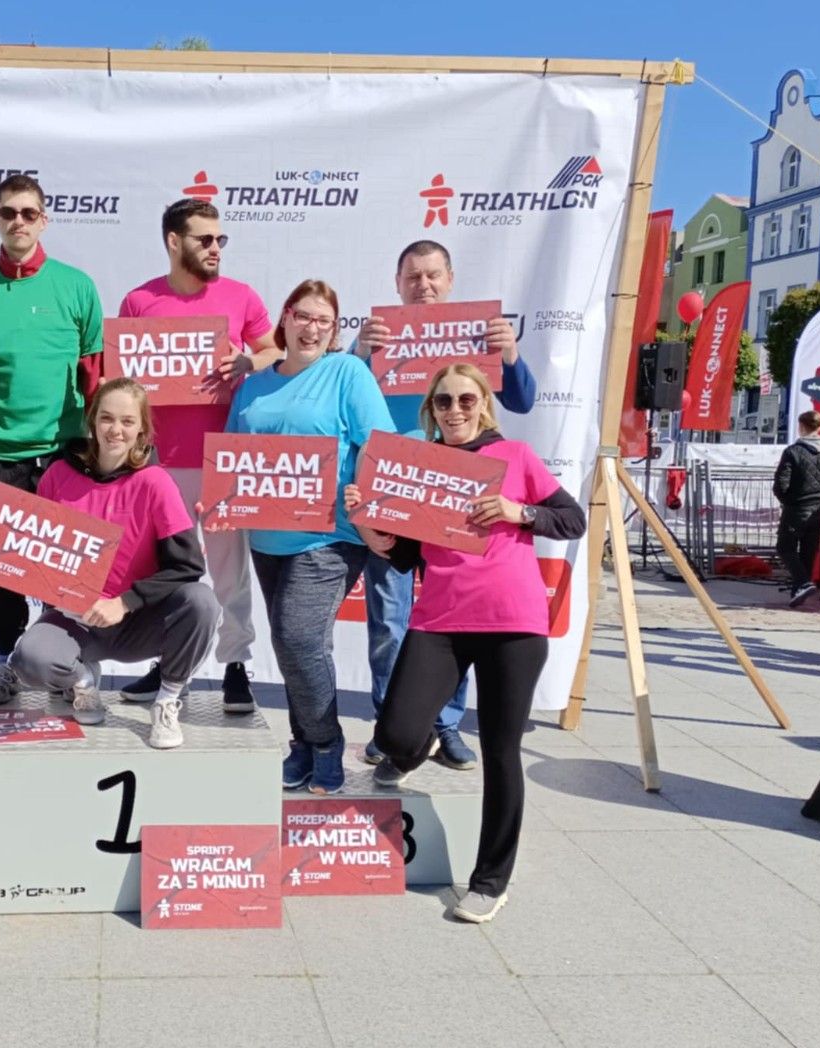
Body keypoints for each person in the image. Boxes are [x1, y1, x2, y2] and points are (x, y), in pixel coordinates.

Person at [355, 363, 584, 923]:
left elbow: (572, 519)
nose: (454, 410)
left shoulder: (517, 457)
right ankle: (420, 747)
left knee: (501, 754)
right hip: (441, 622)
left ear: (483, 403)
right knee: (396, 734)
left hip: (513, 625)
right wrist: (371, 524)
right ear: (429, 411)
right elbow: (409, 556)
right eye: (442, 403)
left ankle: (489, 882)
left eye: (464, 400)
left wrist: (519, 512)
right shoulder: (420, 469)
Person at [353, 239, 539, 772]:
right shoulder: (379, 339)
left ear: (451, 279)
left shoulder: (474, 335)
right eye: (412, 277)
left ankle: (448, 725)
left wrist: (509, 354)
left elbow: (521, 401)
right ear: (397, 283)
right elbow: (340, 389)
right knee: (389, 618)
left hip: (456, 490)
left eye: (433, 275)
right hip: (396, 485)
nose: (424, 286)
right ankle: (393, 722)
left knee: (456, 618)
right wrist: (360, 353)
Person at [221, 280, 394, 794]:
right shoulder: (253, 384)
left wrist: (368, 514)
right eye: (304, 316)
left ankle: (325, 743)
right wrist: (221, 498)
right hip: (266, 539)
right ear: (286, 318)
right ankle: (301, 744)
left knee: (298, 638)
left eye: (325, 320)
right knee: (295, 645)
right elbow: (233, 451)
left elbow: (377, 445)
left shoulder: (347, 372)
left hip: (331, 535)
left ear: (335, 328)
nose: (313, 328)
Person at [115, 200, 281, 712]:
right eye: (204, 240)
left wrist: (251, 359)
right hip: (160, 465)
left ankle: (235, 667)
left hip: (225, 460)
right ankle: (170, 666)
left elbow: (276, 349)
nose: (215, 249)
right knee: (169, 571)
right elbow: (121, 378)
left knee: (230, 572)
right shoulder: (140, 301)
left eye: (219, 240)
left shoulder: (240, 296)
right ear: (174, 242)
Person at [0, 174, 104, 707]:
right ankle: (4, 663)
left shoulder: (77, 285)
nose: (19, 221)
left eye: (29, 213)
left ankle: (69, 668)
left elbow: (94, 372)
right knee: (2, 572)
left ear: (45, 220)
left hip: (65, 452)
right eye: (8, 212)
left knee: (69, 571)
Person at [7, 379, 218, 747]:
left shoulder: (156, 483)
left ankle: (167, 699)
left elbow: (187, 566)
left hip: (140, 621)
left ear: (142, 430)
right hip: (75, 621)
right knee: (28, 659)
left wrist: (124, 602)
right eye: (106, 418)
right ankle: (83, 682)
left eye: (126, 421)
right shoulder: (58, 475)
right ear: (92, 421)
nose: (115, 430)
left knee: (201, 602)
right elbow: (33, 552)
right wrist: (0, 548)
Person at [774, 409, 820, 608]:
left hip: (797, 506)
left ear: (802, 427)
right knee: (808, 549)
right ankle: (799, 590)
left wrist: (788, 500)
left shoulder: (793, 452)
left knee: (785, 547)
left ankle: (803, 583)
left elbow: (781, 484)